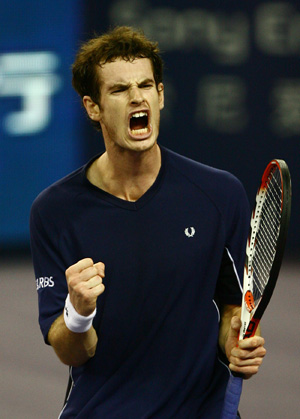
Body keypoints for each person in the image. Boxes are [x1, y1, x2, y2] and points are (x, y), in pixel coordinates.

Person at [30, 26, 266, 418]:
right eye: (119, 90)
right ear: (93, 107)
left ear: (160, 95)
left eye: (146, 85)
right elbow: (71, 350)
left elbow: (230, 307)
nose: (136, 97)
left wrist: (236, 341)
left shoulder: (219, 195)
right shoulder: (54, 211)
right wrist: (78, 311)